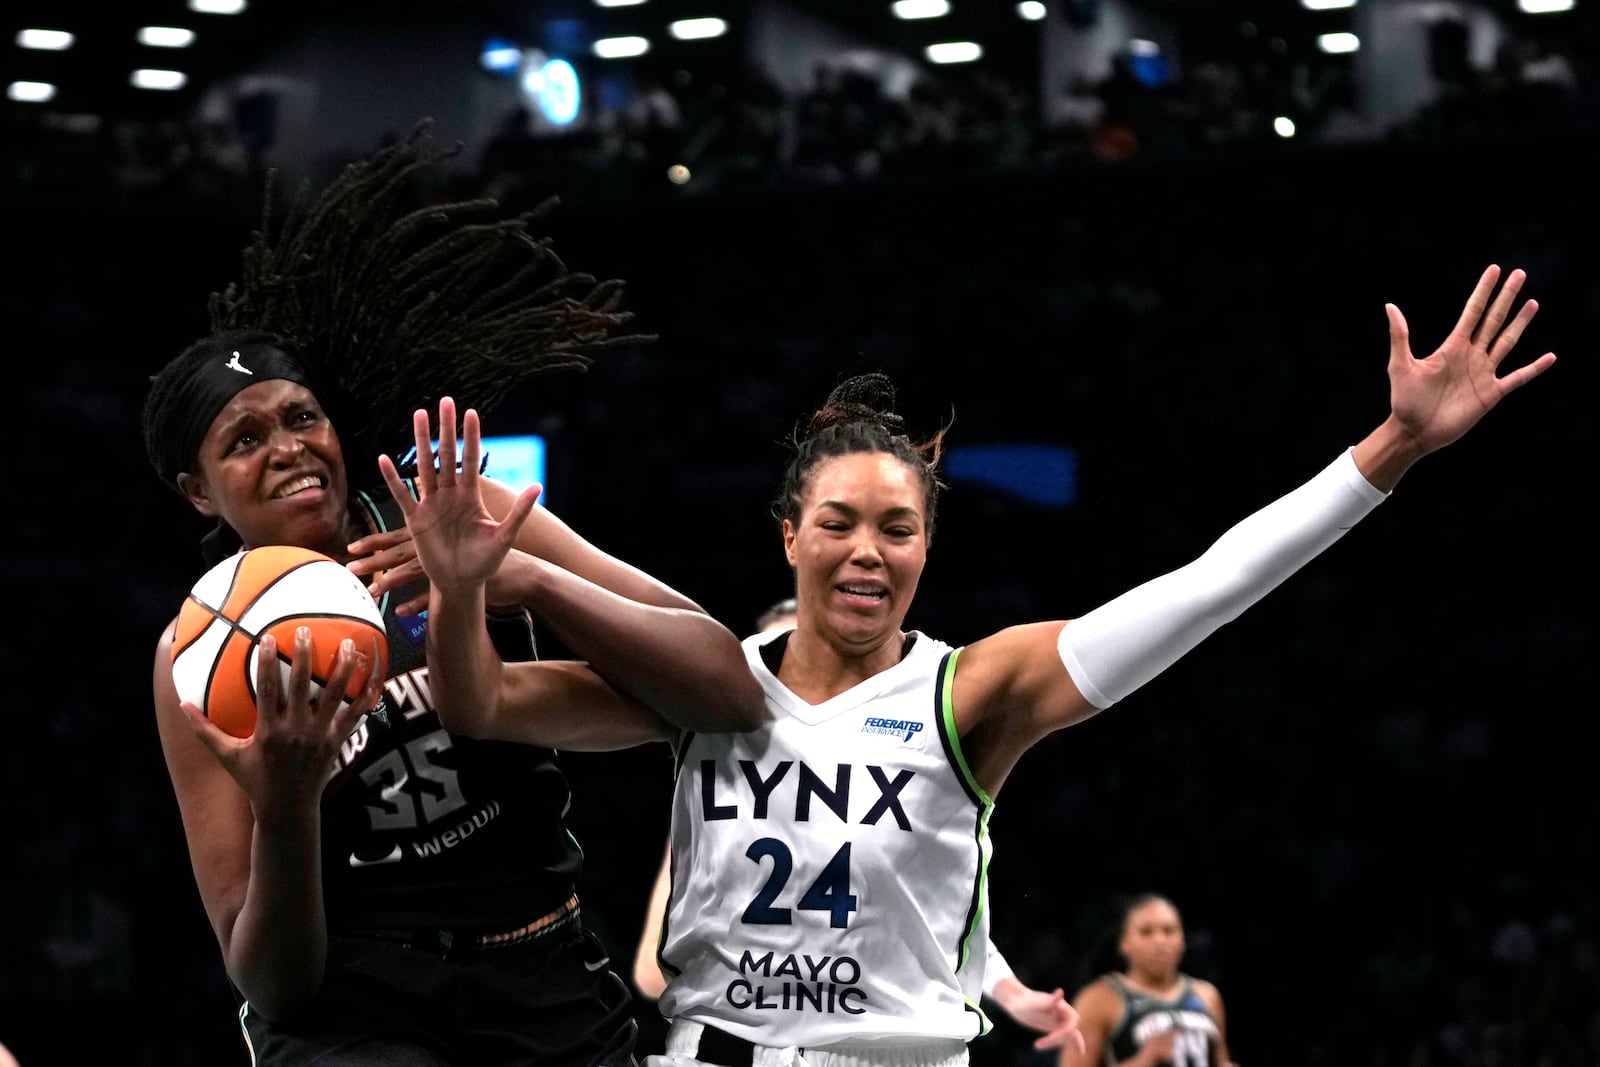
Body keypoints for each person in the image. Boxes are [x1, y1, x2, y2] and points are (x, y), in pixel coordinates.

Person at [388, 262, 1555, 1067]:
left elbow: (1208, 584)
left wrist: (1394, 445)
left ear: (927, 548)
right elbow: (478, 703)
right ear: (788, 533)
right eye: (838, 520)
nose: (866, 549)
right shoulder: (707, 683)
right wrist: (462, 582)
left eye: (897, 528)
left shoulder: (972, 692)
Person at [141, 118, 764, 1067]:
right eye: (243, 439)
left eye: (300, 417)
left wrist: (527, 578)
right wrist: (290, 803)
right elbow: (273, 979)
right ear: (198, 489)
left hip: (539, 962)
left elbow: (726, 689)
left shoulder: (460, 512)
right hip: (357, 1004)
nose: (289, 448)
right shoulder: (193, 655)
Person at [630, 598, 1083, 1054]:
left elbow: (925, 931)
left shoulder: (912, 788)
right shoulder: (719, 812)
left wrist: (1012, 993)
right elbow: (652, 975)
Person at [1060, 894, 1234, 1067]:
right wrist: (1142, 1061)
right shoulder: (1099, 999)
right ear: (1125, 943)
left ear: (1182, 940)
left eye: (1169, 931)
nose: (1159, 941)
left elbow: (1221, 1062)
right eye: (1146, 932)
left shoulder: (1208, 996)